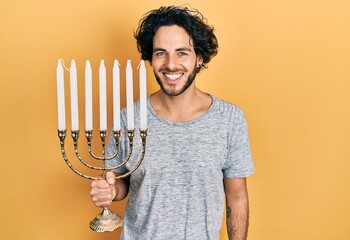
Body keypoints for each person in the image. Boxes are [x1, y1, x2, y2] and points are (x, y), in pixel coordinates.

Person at [90, 5, 255, 240]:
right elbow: (120, 182)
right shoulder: (129, 118)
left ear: (199, 58)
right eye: (160, 53)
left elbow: (237, 197)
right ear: (151, 58)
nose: (170, 64)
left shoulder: (229, 120)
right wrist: (109, 191)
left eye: (182, 52)